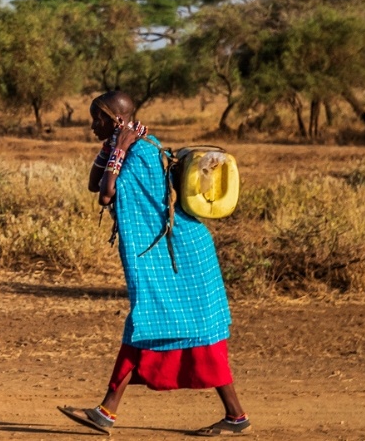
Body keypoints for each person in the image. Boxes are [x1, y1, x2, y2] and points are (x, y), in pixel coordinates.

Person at [57, 92, 248, 437]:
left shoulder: (142, 151)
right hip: (168, 253)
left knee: (186, 332)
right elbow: (93, 183)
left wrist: (117, 152)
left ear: (116, 120)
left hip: (182, 254)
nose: (91, 125)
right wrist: (111, 149)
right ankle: (107, 412)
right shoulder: (131, 146)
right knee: (157, 328)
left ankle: (108, 412)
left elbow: (106, 193)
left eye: (97, 120)